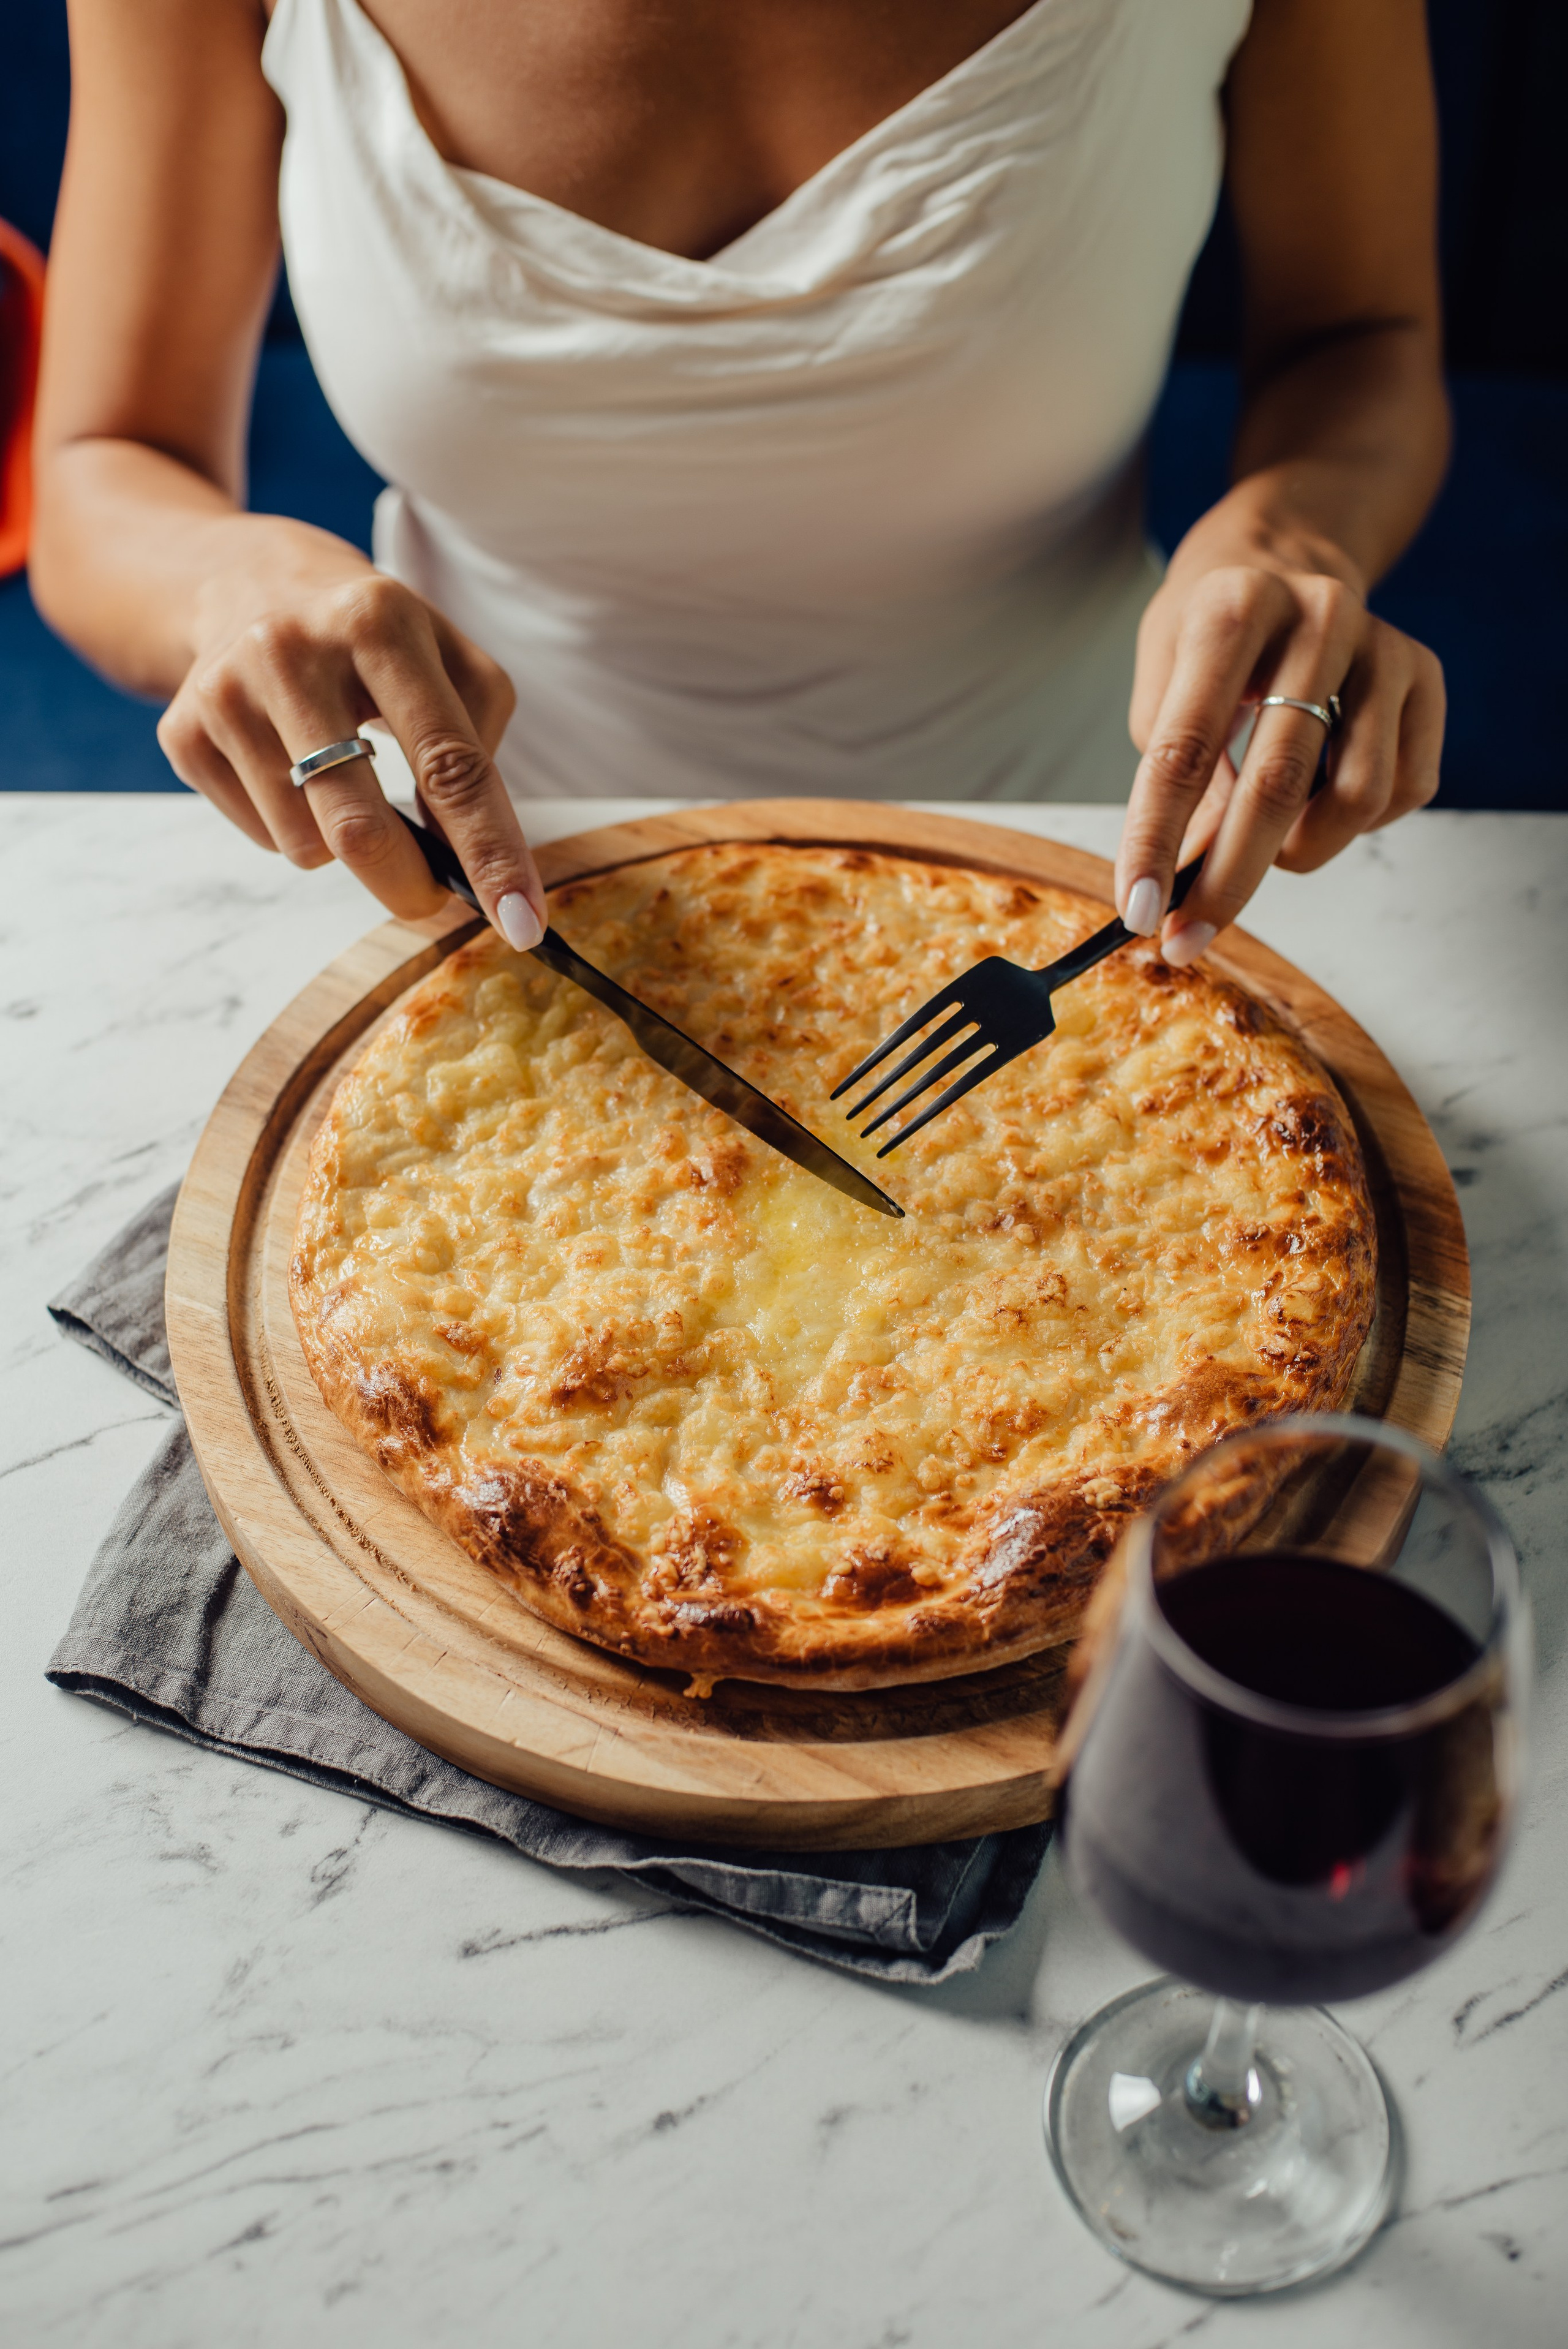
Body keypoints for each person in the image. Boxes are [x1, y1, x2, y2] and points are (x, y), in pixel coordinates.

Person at [31, 0, 1447, 965]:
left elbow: (1362, 343)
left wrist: (1286, 538)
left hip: (1113, 858)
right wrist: (239, 583)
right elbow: (107, 465)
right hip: (470, 873)